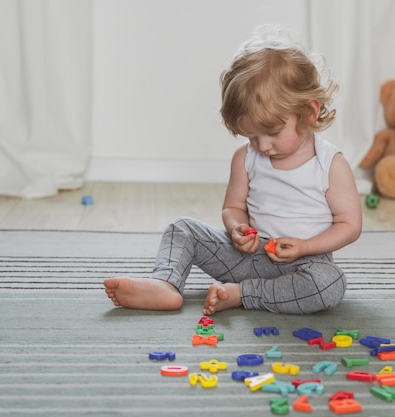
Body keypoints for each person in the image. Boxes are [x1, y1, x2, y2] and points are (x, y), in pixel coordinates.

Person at [104, 25, 362, 315]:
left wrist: (304, 246)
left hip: (304, 265)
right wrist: (237, 229)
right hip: (247, 257)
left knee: (330, 284)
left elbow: (349, 226)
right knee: (182, 228)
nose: (262, 146)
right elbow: (233, 207)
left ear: (310, 112)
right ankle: (165, 283)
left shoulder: (330, 163)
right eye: (252, 137)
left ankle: (243, 295)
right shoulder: (246, 158)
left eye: (273, 133)